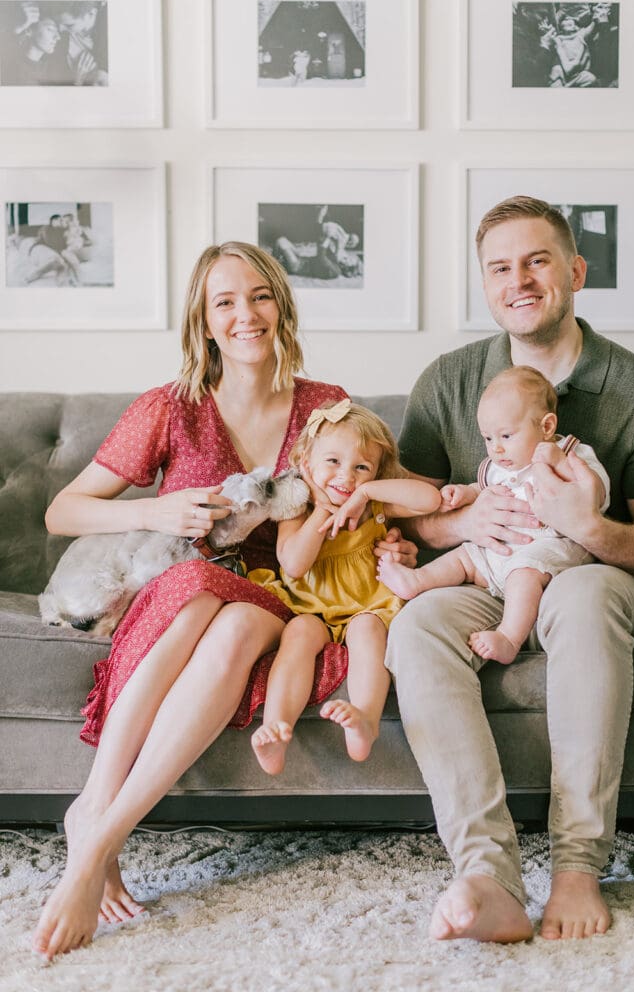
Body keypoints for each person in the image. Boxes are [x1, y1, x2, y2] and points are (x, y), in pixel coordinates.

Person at [32, 241, 415, 960]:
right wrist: (153, 509)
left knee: (241, 615)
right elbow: (63, 511)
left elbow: (377, 484)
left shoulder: (325, 406)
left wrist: (414, 533)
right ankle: (96, 812)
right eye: (225, 302)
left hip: (281, 601)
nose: (246, 314)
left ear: (282, 305)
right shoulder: (168, 409)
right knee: (220, 608)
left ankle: (95, 837)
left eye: (260, 296)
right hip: (186, 599)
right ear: (203, 322)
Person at [386, 196, 634, 944]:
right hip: (490, 576)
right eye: (499, 268)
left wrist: (590, 529)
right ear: (485, 286)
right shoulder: (449, 383)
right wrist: (459, 523)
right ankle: (485, 874)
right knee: (417, 621)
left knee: (581, 597)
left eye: (537, 260)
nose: (518, 280)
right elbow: (408, 512)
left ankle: (579, 865)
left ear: (575, 271)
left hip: (597, 578)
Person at [250, 399, 441, 774]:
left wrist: (368, 495)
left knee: (369, 630)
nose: (346, 476)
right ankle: (276, 726)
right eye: (332, 462)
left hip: (366, 605)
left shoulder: (372, 504)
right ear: (306, 464)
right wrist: (322, 510)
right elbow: (293, 563)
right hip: (310, 607)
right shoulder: (297, 510)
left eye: (361, 467)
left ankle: (365, 721)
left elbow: (430, 499)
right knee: (299, 634)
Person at [380, 366, 610, 665]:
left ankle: (509, 637)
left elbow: (597, 492)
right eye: (488, 438)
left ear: (547, 426)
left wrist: (562, 464)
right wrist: (464, 493)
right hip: (496, 551)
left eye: (505, 435)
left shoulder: (569, 453)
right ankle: (416, 581)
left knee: (522, 575)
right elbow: (484, 487)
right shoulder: (501, 465)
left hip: (546, 551)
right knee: (463, 557)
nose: (496, 448)